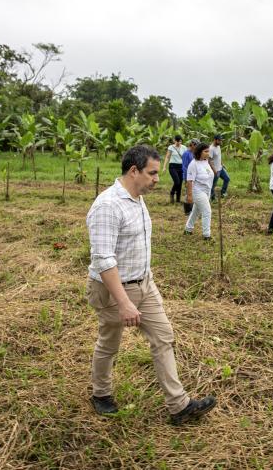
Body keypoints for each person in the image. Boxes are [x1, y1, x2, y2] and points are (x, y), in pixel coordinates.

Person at [86, 144, 216, 424]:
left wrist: (146, 281)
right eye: (152, 173)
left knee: (164, 336)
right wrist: (123, 302)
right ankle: (101, 394)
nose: (158, 179)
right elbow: (103, 260)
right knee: (110, 343)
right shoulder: (108, 206)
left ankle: (179, 406)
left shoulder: (137, 197)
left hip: (144, 284)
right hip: (112, 290)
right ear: (134, 171)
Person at [184, 142, 215, 240]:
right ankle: (207, 235)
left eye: (208, 151)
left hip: (207, 190)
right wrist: (189, 196)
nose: (208, 153)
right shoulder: (193, 164)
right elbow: (189, 181)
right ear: (199, 152)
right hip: (197, 191)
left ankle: (188, 229)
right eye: (206, 151)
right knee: (207, 211)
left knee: (195, 211)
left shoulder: (206, 161)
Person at [162, 135, 187, 204]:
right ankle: (172, 193)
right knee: (177, 182)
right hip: (173, 166)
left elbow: (185, 157)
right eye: (177, 141)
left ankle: (178, 200)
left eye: (180, 141)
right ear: (174, 141)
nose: (179, 143)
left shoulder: (184, 147)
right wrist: (164, 167)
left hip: (181, 166)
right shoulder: (171, 147)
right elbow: (167, 157)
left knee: (180, 183)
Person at [208, 134, 230, 200]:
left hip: (220, 168)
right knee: (213, 185)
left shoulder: (218, 146)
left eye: (221, 140)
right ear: (215, 140)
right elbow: (209, 160)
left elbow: (219, 157)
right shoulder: (211, 149)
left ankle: (223, 193)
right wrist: (214, 170)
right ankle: (212, 198)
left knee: (227, 179)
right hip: (215, 170)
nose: (221, 142)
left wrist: (222, 164)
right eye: (219, 140)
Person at [180, 139, 197, 215]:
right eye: (196, 145)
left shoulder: (193, 153)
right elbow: (185, 167)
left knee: (192, 192)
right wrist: (186, 179)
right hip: (188, 177)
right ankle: (187, 210)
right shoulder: (186, 154)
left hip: (193, 176)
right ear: (192, 144)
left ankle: (192, 209)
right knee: (188, 192)